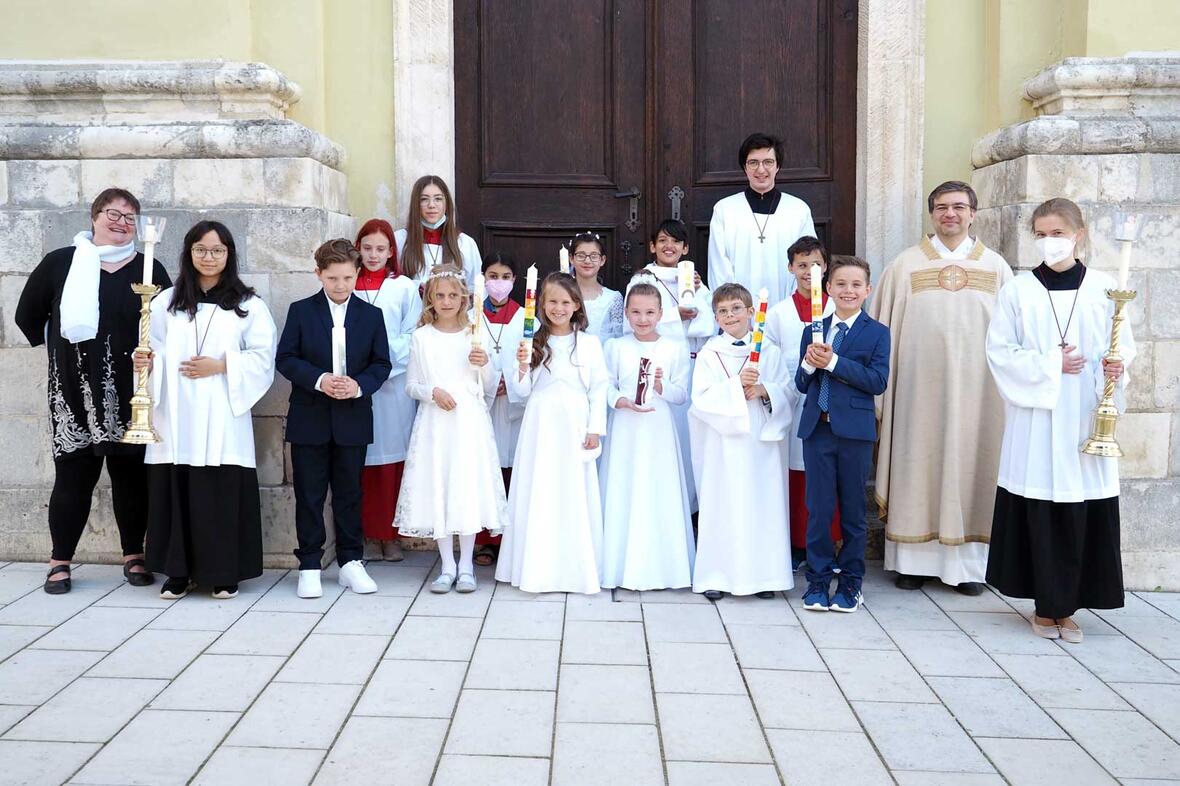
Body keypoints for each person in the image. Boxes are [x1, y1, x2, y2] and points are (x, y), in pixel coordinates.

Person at [985, 198, 1132, 644]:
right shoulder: (1018, 290)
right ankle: (1044, 607)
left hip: (1084, 416)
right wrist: (1051, 365)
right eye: (1042, 234)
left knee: (1080, 507)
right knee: (1040, 505)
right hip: (1037, 417)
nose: (1050, 242)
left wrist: (1117, 367)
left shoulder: (1106, 289)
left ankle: (1068, 608)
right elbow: (999, 352)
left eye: (1058, 233)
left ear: (1079, 234)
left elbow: (1123, 344)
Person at [16, 188, 171, 594]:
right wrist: (60, 353)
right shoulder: (61, 263)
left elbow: (169, 325)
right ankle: (59, 561)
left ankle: (133, 555)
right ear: (94, 217)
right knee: (73, 476)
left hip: (131, 390)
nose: (121, 223)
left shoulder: (150, 268)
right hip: (74, 390)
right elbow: (26, 314)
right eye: (112, 214)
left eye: (129, 218)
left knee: (130, 478)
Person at [869, 181, 1013, 594]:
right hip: (917, 392)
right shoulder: (905, 266)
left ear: (973, 213)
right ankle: (912, 561)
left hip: (979, 396)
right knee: (918, 463)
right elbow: (880, 332)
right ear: (932, 214)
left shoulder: (996, 268)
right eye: (942, 208)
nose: (950, 214)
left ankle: (967, 568)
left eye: (959, 207)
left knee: (973, 467)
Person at [138, 221, 276, 600]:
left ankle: (223, 572)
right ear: (189, 252)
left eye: (217, 250)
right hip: (177, 412)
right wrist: (147, 362)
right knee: (177, 490)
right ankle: (178, 573)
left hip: (221, 411)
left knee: (219, 492)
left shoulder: (248, 305)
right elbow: (152, 347)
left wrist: (222, 365)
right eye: (201, 249)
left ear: (229, 254)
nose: (209, 257)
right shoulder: (166, 302)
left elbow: (264, 357)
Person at [276, 239, 391, 599]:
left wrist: (358, 386)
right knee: (310, 494)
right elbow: (286, 358)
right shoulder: (301, 311)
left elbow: (381, 363)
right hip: (310, 417)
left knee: (349, 493)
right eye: (332, 278)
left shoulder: (371, 316)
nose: (340, 285)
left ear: (357, 273)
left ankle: (350, 562)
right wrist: (320, 380)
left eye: (346, 277)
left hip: (353, 418)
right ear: (318, 275)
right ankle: (310, 564)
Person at [395, 265, 508, 594]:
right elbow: (411, 385)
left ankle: (467, 566)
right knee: (440, 486)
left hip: (468, 421)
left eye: (453, 295)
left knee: (465, 488)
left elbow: (488, 384)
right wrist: (432, 392)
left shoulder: (475, 332)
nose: (446, 301)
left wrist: (483, 362)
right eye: (440, 295)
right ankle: (446, 566)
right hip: (435, 422)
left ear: (464, 299)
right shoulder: (422, 337)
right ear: (430, 298)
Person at [495, 274, 609, 594]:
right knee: (540, 489)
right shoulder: (532, 342)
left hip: (574, 422)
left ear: (576, 305)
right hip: (541, 425)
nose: (558, 308)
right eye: (552, 301)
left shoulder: (588, 344)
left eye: (565, 302)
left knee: (572, 491)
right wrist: (520, 366)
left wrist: (595, 429)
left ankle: (574, 568)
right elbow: (521, 391)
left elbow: (598, 389)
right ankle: (537, 565)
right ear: (541, 305)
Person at [796, 256, 889, 613]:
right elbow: (801, 383)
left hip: (854, 433)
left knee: (852, 512)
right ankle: (817, 582)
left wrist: (833, 363)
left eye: (855, 285)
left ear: (867, 290)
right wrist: (809, 363)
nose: (848, 291)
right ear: (828, 289)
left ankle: (851, 583)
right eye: (841, 284)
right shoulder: (813, 328)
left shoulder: (877, 332)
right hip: (817, 430)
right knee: (819, 510)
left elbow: (877, 381)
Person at [689, 283, 794, 600]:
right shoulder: (710, 353)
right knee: (723, 506)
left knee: (762, 506)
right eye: (722, 310)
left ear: (751, 312)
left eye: (736, 308)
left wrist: (765, 390)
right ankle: (717, 576)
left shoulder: (769, 352)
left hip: (761, 441)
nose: (730, 315)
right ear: (716, 317)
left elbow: (787, 392)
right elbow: (701, 400)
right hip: (723, 444)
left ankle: (763, 578)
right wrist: (736, 387)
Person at [600, 282, 694, 590]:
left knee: (657, 488)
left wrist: (659, 386)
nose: (643, 319)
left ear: (661, 314)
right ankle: (617, 566)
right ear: (626, 313)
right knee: (624, 487)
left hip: (658, 429)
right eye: (636, 312)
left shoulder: (673, 347)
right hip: (626, 426)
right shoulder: (616, 347)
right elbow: (606, 386)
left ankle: (663, 567)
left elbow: (681, 395)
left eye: (650, 312)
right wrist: (620, 401)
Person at [764, 237, 841, 571]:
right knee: (796, 471)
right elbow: (769, 356)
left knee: (827, 473)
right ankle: (797, 544)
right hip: (793, 399)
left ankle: (828, 542)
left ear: (825, 267)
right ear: (790, 268)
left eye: (815, 264)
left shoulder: (838, 305)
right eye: (801, 264)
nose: (809, 271)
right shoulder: (779, 312)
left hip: (830, 399)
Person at [626, 219, 714, 509]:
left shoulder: (694, 279)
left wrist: (697, 297)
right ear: (652, 246)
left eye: (676, 241)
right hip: (658, 365)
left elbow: (709, 321)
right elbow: (634, 325)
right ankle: (659, 505)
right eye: (662, 240)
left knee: (690, 438)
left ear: (685, 248)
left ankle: (690, 505)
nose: (669, 246)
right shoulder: (643, 280)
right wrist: (677, 315)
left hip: (690, 363)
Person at [354, 219, 421, 563]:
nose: (373, 255)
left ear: (392, 251)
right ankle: (367, 533)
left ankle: (391, 535)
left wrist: (380, 358)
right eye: (367, 248)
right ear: (358, 248)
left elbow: (412, 334)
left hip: (393, 386)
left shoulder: (404, 287)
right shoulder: (347, 284)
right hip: (356, 386)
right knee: (361, 462)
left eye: (381, 249)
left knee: (393, 461)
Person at [707, 132, 817, 306]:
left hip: (789, 306)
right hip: (738, 313)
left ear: (777, 166)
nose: (760, 170)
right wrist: (734, 308)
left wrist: (792, 308)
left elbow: (809, 262)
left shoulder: (798, 210)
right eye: (753, 163)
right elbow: (718, 264)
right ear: (744, 167)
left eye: (768, 162)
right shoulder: (725, 209)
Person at [473, 251, 526, 566]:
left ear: (514, 281)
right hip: (482, 403)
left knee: (510, 468)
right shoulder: (471, 315)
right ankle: (485, 540)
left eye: (505, 277)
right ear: (483, 279)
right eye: (493, 276)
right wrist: (490, 382)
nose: (499, 283)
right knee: (484, 468)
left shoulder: (525, 317)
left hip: (513, 405)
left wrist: (511, 381)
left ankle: (510, 538)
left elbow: (531, 356)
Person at [395, 175, 482, 288]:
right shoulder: (400, 240)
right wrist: (418, 287)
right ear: (416, 205)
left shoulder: (465, 243)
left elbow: (476, 286)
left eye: (438, 199)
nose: (431, 205)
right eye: (424, 199)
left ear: (446, 204)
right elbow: (393, 283)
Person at [569, 232, 623, 342]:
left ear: (602, 260)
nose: (587, 261)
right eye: (581, 255)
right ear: (571, 259)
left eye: (594, 256)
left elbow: (618, 337)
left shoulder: (613, 298)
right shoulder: (563, 294)